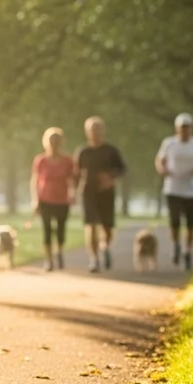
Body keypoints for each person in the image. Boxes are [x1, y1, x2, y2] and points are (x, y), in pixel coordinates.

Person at [155, 113, 193, 271]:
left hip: (192, 191)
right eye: (182, 128)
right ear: (177, 129)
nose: (184, 131)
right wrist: (163, 169)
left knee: (190, 225)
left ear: (191, 129)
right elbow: (160, 160)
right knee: (174, 223)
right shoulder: (169, 143)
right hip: (173, 189)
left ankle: (187, 251)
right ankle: (176, 246)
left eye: (187, 128)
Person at [74, 116, 127, 273]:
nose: (96, 133)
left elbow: (122, 169)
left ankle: (105, 247)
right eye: (93, 130)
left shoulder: (111, 151)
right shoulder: (83, 151)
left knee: (107, 227)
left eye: (99, 130)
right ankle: (94, 259)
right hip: (88, 192)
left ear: (103, 131)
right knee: (90, 225)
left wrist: (110, 177)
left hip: (107, 193)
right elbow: (76, 173)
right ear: (87, 132)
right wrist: (74, 191)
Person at [31, 127, 76, 271]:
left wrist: (72, 194)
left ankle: (60, 252)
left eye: (57, 141)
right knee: (47, 231)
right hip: (45, 199)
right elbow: (35, 181)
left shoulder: (68, 160)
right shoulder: (40, 160)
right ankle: (49, 260)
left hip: (62, 200)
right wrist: (35, 199)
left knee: (61, 230)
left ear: (61, 142)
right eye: (51, 141)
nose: (54, 144)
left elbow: (71, 180)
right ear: (46, 142)